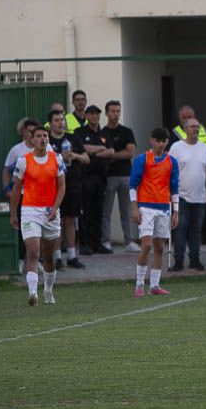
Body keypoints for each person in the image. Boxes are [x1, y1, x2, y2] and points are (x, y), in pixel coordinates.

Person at [9, 125, 65, 306]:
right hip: (30, 210)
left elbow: (62, 186)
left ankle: (48, 289)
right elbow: (16, 189)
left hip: (50, 211)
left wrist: (55, 208)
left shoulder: (57, 159)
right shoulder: (23, 161)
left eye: (45, 136)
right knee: (33, 251)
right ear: (32, 140)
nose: (43, 139)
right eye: (39, 136)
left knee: (48, 256)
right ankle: (32, 293)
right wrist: (13, 213)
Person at [129, 128, 179, 298]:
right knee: (147, 244)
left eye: (164, 141)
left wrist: (176, 211)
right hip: (146, 207)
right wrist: (134, 207)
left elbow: (174, 187)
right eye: (158, 140)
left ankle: (155, 285)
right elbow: (133, 185)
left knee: (159, 247)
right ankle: (139, 283)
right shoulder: (142, 159)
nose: (161, 144)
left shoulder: (172, 162)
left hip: (164, 207)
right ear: (152, 141)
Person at [168, 117, 206, 271]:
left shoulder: (204, 148)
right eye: (192, 127)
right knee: (180, 228)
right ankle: (178, 261)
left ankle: (195, 259)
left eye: (197, 126)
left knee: (196, 230)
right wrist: (170, 192)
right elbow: (169, 171)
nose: (195, 129)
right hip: (181, 196)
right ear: (185, 129)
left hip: (200, 197)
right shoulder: (176, 147)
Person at [47, 109, 89, 269]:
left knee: (71, 220)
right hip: (54, 186)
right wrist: (59, 158)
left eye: (62, 120)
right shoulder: (48, 140)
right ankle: (57, 257)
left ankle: (72, 256)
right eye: (56, 120)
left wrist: (74, 156)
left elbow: (86, 159)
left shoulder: (72, 138)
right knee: (57, 220)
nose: (60, 123)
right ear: (50, 123)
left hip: (73, 185)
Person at [99, 101, 138, 252]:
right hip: (108, 177)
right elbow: (101, 154)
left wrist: (111, 154)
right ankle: (105, 241)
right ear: (107, 113)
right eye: (113, 111)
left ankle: (129, 242)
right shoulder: (102, 133)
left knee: (126, 211)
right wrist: (115, 154)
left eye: (118, 111)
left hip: (126, 176)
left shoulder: (127, 131)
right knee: (106, 211)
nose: (115, 114)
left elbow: (130, 152)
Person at [76, 105, 111, 254]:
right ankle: (85, 244)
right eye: (91, 114)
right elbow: (82, 148)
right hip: (86, 178)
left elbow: (111, 151)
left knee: (98, 212)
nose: (94, 117)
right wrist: (100, 149)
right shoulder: (80, 132)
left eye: (97, 114)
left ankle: (97, 244)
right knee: (86, 212)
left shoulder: (104, 133)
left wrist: (93, 152)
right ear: (86, 116)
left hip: (101, 179)